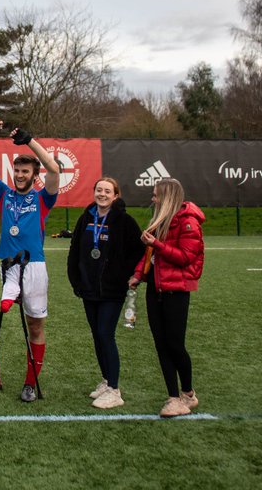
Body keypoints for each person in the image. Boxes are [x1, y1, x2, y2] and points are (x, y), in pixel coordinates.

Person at [0, 117, 60, 403]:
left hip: (35, 265)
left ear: (33, 175)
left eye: (25, 171)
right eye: (17, 170)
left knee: (36, 325)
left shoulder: (43, 198)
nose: (19, 174)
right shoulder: (4, 194)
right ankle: (9, 295)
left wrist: (30, 141)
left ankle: (30, 383)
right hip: (9, 263)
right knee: (8, 300)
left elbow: (53, 168)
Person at [128, 177, 205, 418]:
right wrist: (138, 274)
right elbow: (149, 255)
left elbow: (185, 257)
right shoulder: (159, 221)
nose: (152, 198)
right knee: (161, 344)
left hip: (176, 291)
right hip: (156, 290)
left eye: (156, 195)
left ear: (168, 197)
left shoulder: (189, 222)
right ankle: (173, 397)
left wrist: (158, 244)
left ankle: (188, 394)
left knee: (175, 344)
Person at [66, 177, 144, 409]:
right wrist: (76, 278)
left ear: (115, 195)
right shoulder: (86, 217)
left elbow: (138, 250)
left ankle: (114, 390)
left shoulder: (124, 221)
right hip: (88, 289)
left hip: (111, 290)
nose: (102, 194)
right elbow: (75, 249)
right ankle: (106, 380)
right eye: (98, 190)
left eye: (107, 191)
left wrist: (125, 275)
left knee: (105, 333)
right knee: (97, 334)